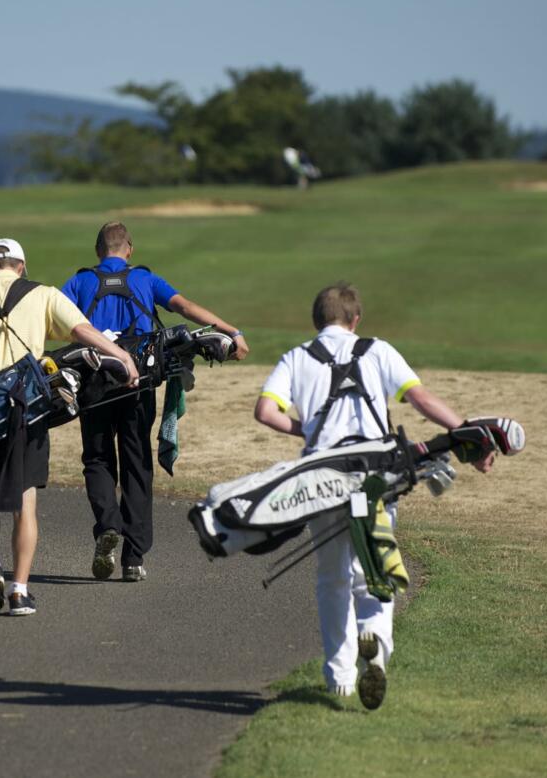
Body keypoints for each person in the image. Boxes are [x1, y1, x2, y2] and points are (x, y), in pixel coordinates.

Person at [253, 281, 492, 709]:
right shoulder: (377, 350)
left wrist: (304, 429)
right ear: (355, 319)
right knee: (375, 568)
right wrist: (470, 436)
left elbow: (266, 411)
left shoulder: (296, 357)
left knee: (332, 578)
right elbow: (421, 399)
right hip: (373, 479)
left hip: (322, 480)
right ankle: (375, 648)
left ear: (316, 321)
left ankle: (339, 680)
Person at [0, 238, 139, 616]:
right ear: (22, 265)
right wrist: (121, 355)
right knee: (25, 503)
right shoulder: (43, 295)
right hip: (25, 409)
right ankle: (19, 591)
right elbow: (83, 331)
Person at [61, 221, 250, 583]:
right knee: (136, 463)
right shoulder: (145, 280)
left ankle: (107, 528)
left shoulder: (80, 282)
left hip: (95, 383)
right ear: (129, 249)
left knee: (98, 458)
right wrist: (231, 331)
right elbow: (185, 306)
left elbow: (53, 317)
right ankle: (133, 558)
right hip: (138, 383)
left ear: (98, 250)